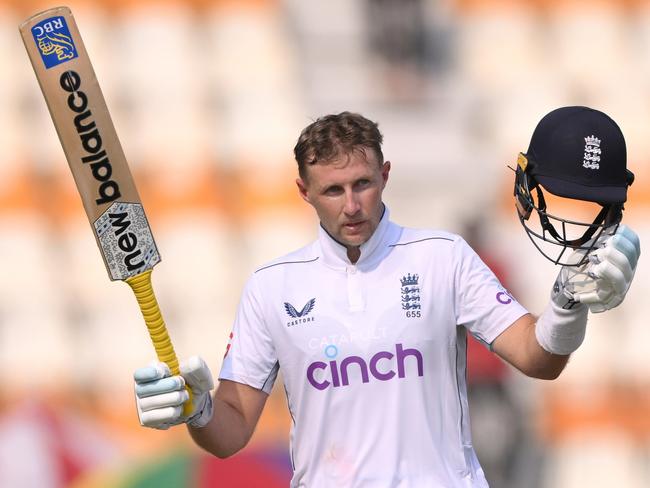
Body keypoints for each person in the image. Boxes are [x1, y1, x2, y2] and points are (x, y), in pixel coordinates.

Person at [133, 110, 640, 487]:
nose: (352, 206)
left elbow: (538, 357)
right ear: (303, 191)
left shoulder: (443, 257)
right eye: (333, 190)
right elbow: (231, 433)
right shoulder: (272, 287)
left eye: (363, 184)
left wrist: (569, 304)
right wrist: (197, 411)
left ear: (386, 175)